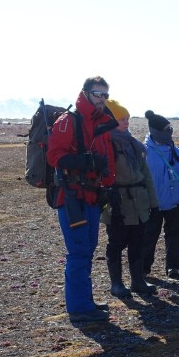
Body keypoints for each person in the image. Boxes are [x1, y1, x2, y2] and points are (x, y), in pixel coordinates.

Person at [46, 75, 117, 323]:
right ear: (85, 93)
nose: (102, 99)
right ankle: (77, 308)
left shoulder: (101, 124)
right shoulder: (69, 121)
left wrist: (108, 185)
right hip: (72, 197)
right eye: (98, 94)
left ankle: (85, 301)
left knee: (87, 250)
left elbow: (107, 160)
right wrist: (86, 162)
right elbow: (54, 155)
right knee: (78, 251)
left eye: (105, 95)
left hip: (91, 196)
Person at [102, 99, 158, 298]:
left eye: (127, 119)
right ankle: (116, 284)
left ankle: (137, 280)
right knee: (116, 243)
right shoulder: (105, 143)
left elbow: (146, 175)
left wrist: (153, 202)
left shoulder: (133, 144)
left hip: (138, 202)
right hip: (118, 204)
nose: (126, 123)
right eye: (121, 119)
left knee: (138, 242)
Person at [144, 110, 179, 279]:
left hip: (175, 203)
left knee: (175, 235)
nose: (169, 132)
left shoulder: (178, 152)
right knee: (149, 237)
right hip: (152, 205)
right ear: (156, 131)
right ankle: (144, 269)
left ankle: (173, 267)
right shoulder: (144, 153)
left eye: (171, 128)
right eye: (166, 129)